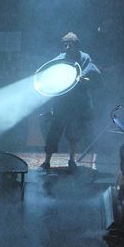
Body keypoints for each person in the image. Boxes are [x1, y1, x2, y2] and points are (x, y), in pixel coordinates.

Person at [39, 32, 100, 172]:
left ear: (76, 45)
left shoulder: (85, 58)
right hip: (62, 104)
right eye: (65, 45)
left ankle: (72, 160)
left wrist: (85, 80)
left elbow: (95, 79)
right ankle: (47, 161)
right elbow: (49, 74)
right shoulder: (59, 59)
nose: (67, 47)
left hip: (78, 104)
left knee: (74, 134)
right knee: (54, 133)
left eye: (70, 45)